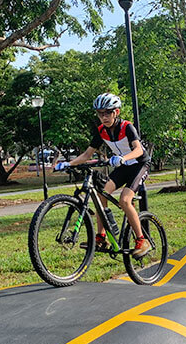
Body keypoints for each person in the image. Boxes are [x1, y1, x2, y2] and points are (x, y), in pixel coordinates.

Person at [54, 93, 151, 259]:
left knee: (125, 200)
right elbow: (86, 154)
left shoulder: (127, 127)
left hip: (138, 165)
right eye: (100, 113)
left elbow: (139, 150)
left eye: (108, 112)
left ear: (117, 112)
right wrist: (68, 164)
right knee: (100, 196)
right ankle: (101, 237)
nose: (104, 117)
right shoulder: (101, 131)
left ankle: (142, 240)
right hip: (122, 167)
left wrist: (123, 158)